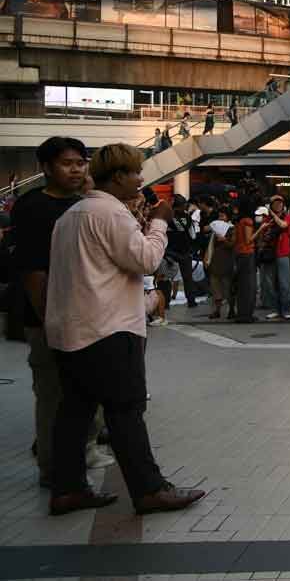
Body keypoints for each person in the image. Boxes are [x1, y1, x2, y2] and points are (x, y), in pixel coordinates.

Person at [45, 143, 205, 516]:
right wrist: (160, 221)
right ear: (118, 177)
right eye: (135, 172)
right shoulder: (109, 213)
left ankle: (67, 488)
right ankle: (149, 490)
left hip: (71, 330)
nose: (140, 179)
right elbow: (146, 260)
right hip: (109, 330)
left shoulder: (71, 215)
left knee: (74, 412)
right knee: (125, 411)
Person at [12, 137, 113, 488]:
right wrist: (47, 319)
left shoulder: (83, 204)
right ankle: (52, 470)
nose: (77, 169)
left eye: (81, 163)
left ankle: (83, 453)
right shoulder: (33, 207)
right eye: (68, 163)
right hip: (49, 320)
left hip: (87, 316)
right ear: (46, 168)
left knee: (86, 391)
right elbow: (32, 271)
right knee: (53, 394)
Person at [233, 195, 262, 323]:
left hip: (239, 254)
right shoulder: (247, 221)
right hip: (247, 254)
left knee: (242, 286)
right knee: (248, 286)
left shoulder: (239, 221)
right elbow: (249, 239)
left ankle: (242, 313)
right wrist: (261, 228)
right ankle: (246, 315)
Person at [205, 207, 236, 320]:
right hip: (215, 261)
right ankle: (217, 310)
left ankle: (231, 310)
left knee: (228, 288)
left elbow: (233, 244)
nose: (220, 218)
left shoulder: (232, 229)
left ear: (228, 217)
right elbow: (210, 245)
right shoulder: (215, 229)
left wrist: (224, 240)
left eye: (223, 216)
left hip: (227, 261)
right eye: (219, 216)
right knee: (215, 288)